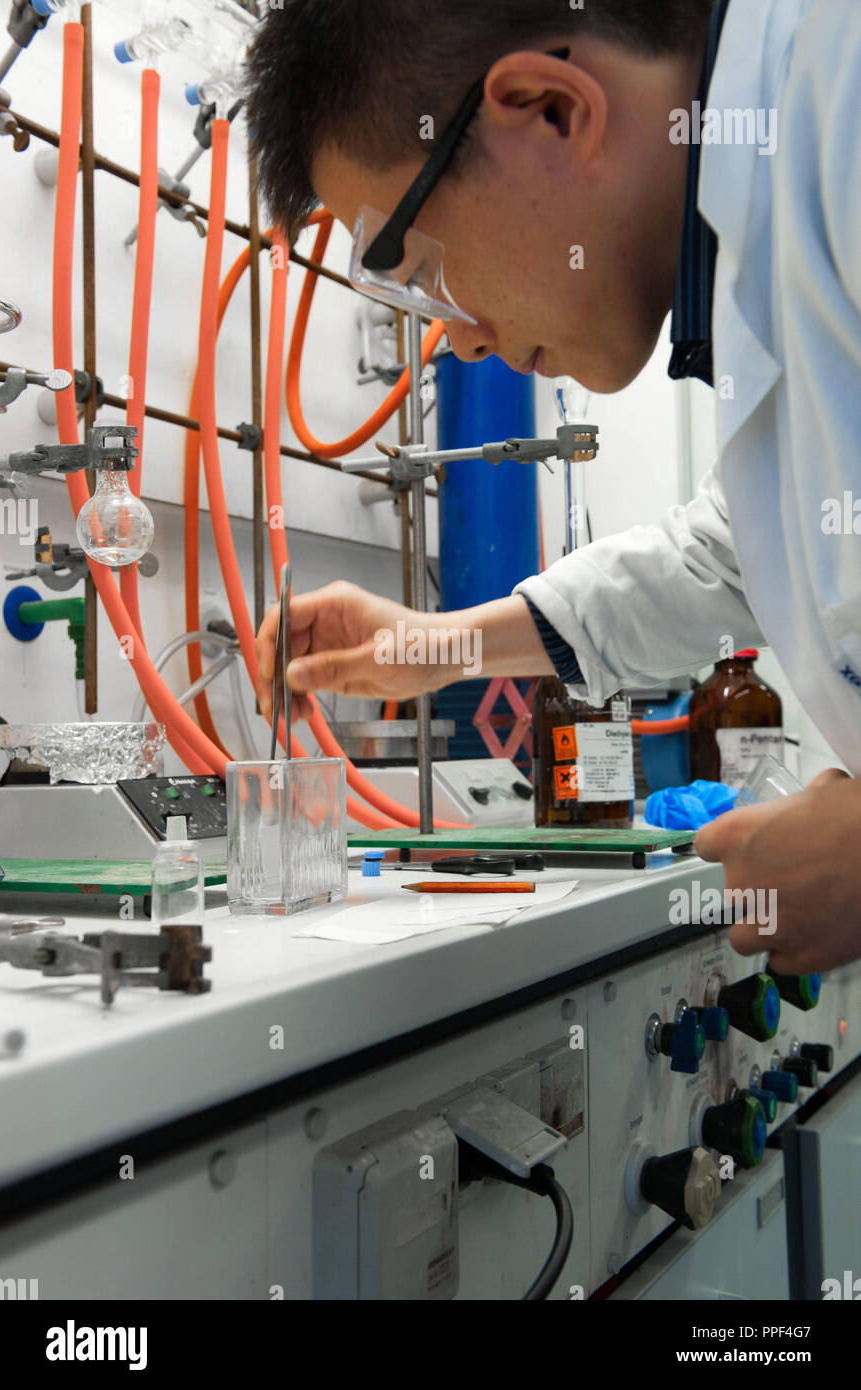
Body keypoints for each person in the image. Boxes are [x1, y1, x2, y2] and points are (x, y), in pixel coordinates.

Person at [246, 0, 861, 974]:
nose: (457, 336)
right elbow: (721, 556)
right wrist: (435, 643)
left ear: (551, 111)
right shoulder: (758, 240)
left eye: (422, 269)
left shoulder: (838, 78)